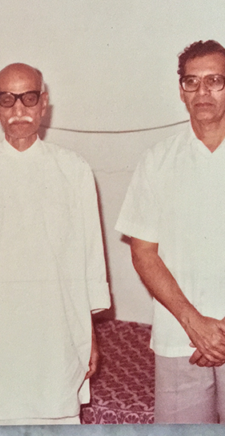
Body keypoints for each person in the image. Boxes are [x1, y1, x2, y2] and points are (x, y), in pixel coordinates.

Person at [0, 63, 111, 425]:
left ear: (43, 103)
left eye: (28, 98)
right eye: (7, 99)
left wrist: (89, 336)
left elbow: (90, 259)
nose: (18, 110)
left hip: (56, 337)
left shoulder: (73, 169)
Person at [116, 40, 225, 423]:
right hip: (179, 337)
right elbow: (143, 253)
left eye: (215, 80)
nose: (203, 92)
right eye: (192, 82)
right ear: (181, 90)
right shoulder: (158, 161)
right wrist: (195, 323)